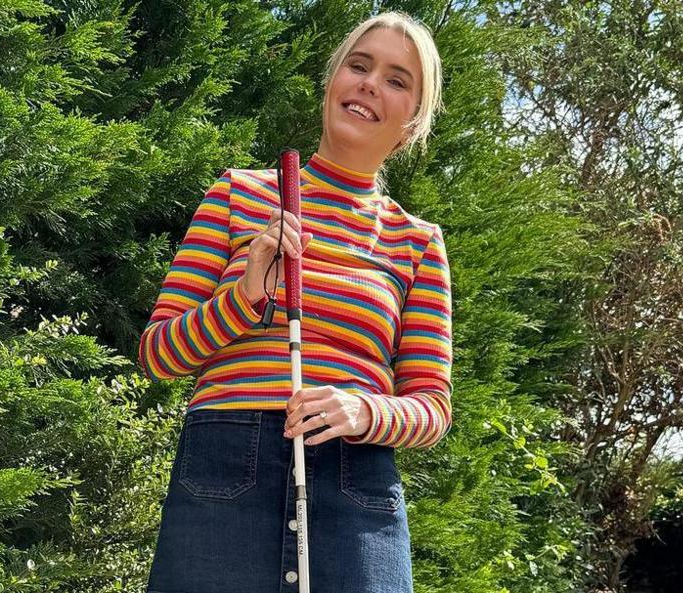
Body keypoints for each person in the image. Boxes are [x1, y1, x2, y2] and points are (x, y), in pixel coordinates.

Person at [137, 11, 452, 593]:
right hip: (223, 469)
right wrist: (246, 295)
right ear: (333, 82)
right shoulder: (237, 194)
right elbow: (158, 354)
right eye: (358, 66)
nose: (369, 84)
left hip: (355, 483)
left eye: (396, 79)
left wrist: (365, 411)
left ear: (412, 123)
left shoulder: (418, 244)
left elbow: (432, 409)